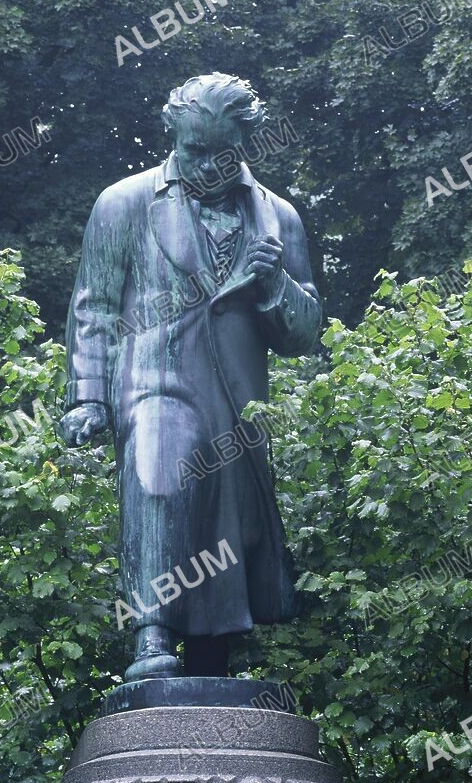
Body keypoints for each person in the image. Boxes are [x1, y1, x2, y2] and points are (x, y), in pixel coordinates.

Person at [61, 72, 321, 681]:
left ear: (245, 143)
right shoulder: (123, 202)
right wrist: (89, 397)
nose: (205, 164)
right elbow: (93, 306)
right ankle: (151, 634)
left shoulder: (278, 218)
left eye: (220, 152)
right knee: (157, 476)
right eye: (192, 150)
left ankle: (211, 662)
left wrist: (274, 286)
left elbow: (307, 336)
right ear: (173, 137)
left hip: (236, 401)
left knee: (224, 530)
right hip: (151, 381)